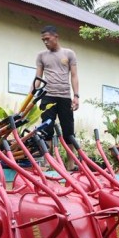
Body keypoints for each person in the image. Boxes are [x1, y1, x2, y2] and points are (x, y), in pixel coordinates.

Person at [33, 25, 79, 166]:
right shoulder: (41, 56)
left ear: (56, 37)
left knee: (68, 130)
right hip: (48, 96)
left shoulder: (69, 53)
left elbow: (74, 76)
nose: (45, 42)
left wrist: (76, 96)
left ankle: (70, 163)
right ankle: (49, 163)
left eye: (47, 39)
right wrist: (33, 94)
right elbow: (38, 78)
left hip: (65, 97)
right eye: (43, 40)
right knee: (46, 129)